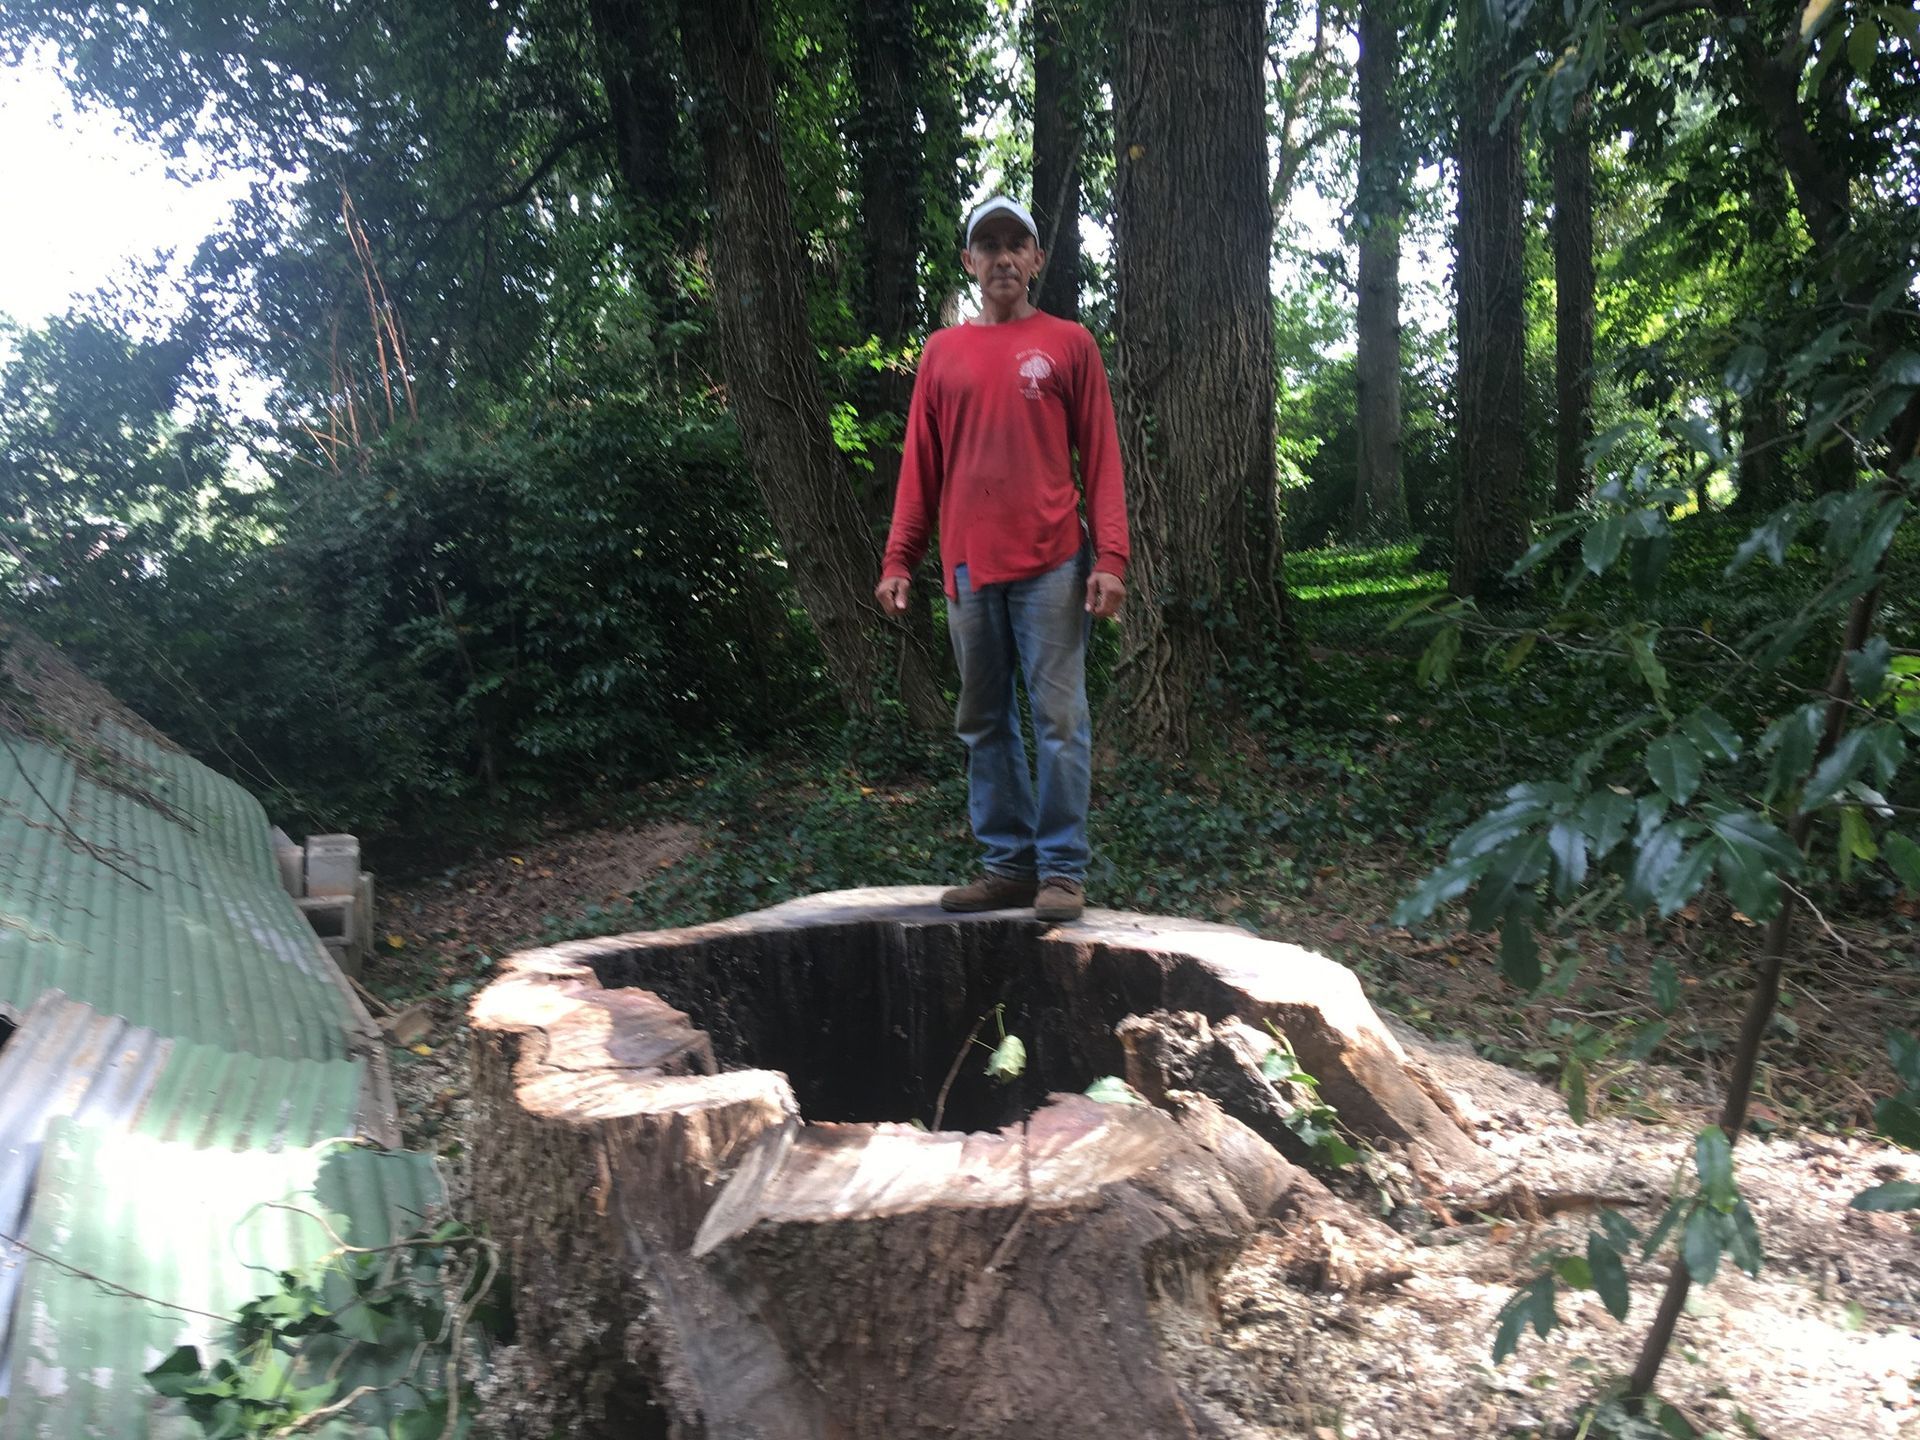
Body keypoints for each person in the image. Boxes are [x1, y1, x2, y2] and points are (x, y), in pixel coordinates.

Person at [874, 195, 1130, 923]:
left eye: (1017, 244)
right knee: (984, 720)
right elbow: (920, 467)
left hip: (1054, 562)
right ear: (969, 262)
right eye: (989, 246)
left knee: (1061, 720)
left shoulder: (1070, 344)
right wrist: (899, 558)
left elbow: (1102, 457)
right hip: (967, 568)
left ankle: (1062, 871)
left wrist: (1111, 556)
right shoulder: (941, 353)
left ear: (1037, 259)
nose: (1004, 258)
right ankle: (1010, 868)